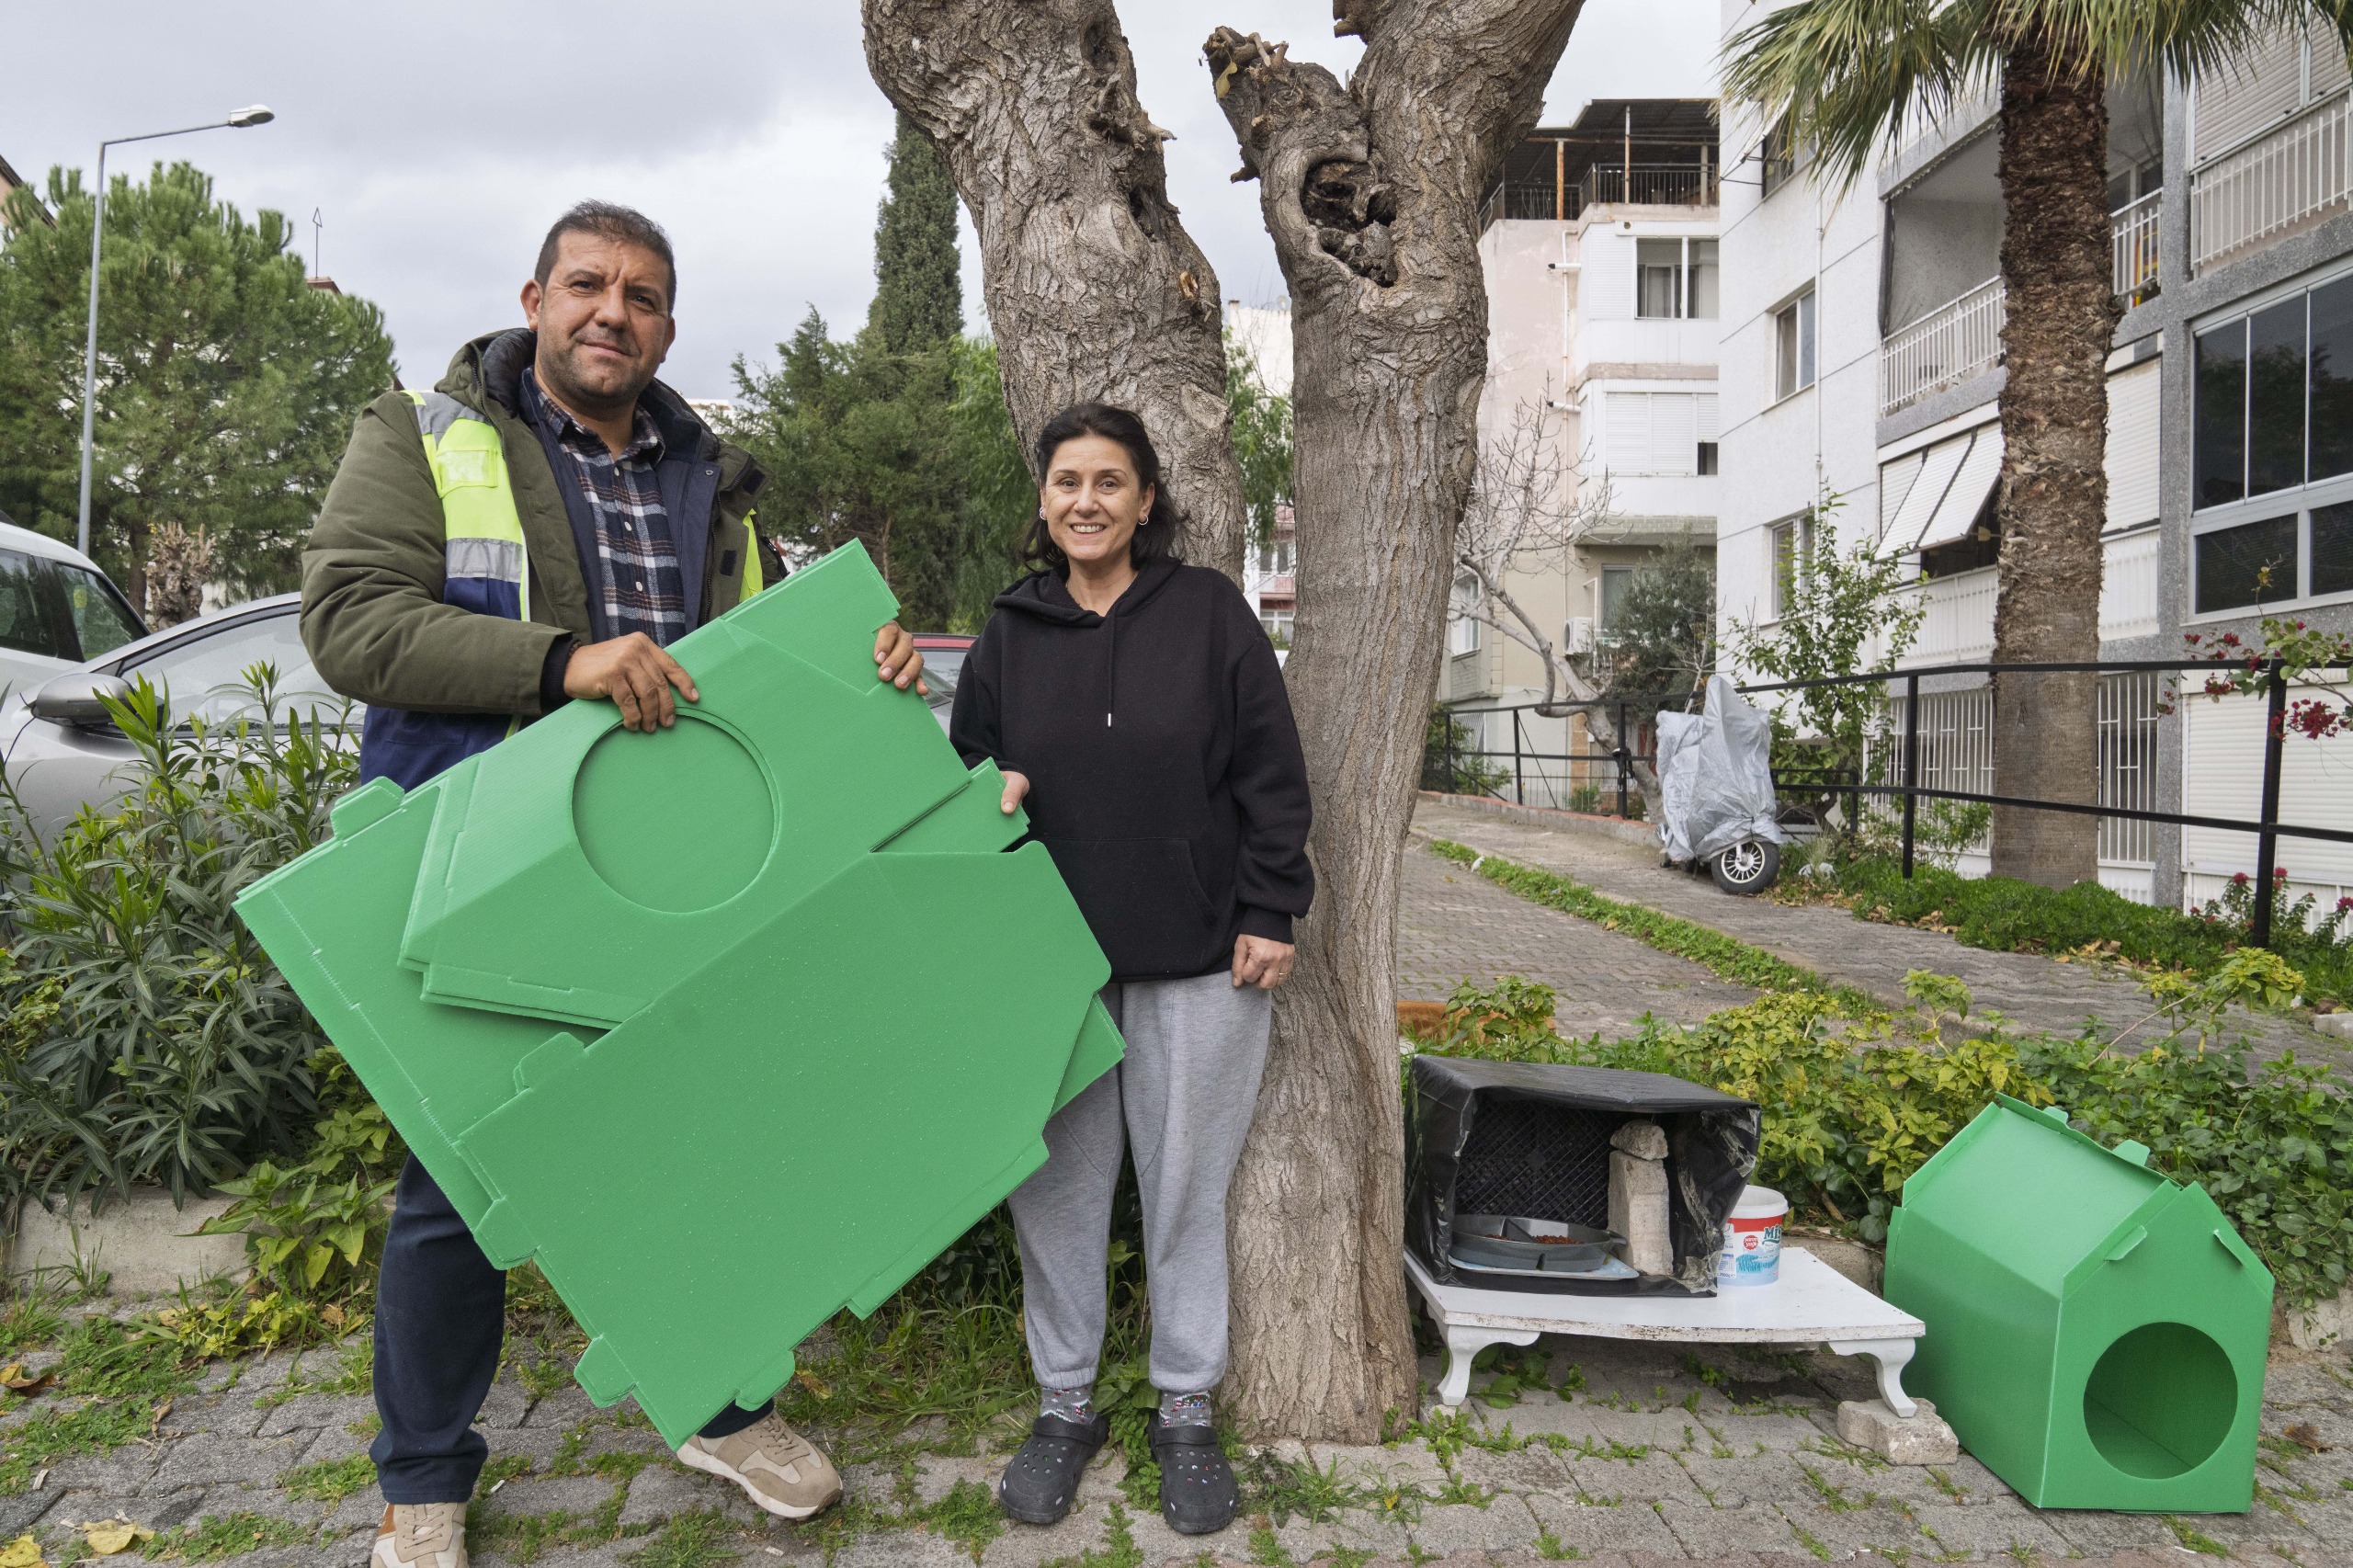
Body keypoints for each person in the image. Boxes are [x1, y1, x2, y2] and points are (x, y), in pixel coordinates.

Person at [301, 201, 924, 1568]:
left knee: (691, 1143)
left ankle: (718, 1402)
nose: (612, 312)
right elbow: (348, 620)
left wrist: (865, 663)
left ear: (669, 328)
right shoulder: (427, 434)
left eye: (642, 296)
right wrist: (556, 662)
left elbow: (755, 670)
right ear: (535, 296)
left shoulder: (716, 479)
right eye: (587, 284)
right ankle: (422, 1480)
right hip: (477, 860)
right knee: (457, 1179)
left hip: (666, 868)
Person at [949, 403, 1313, 1538]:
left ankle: (1185, 1408)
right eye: (1067, 481)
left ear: (1147, 500)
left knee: (1184, 1187)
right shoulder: (1008, 632)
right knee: (1053, 1193)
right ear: (1044, 501)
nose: (1087, 500)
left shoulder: (1209, 614)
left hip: (1203, 955)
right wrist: (982, 790)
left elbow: (1271, 770)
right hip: (1046, 962)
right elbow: (964, 776)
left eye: (1111, 481)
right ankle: (1065, 1405)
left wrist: (1271, 905)